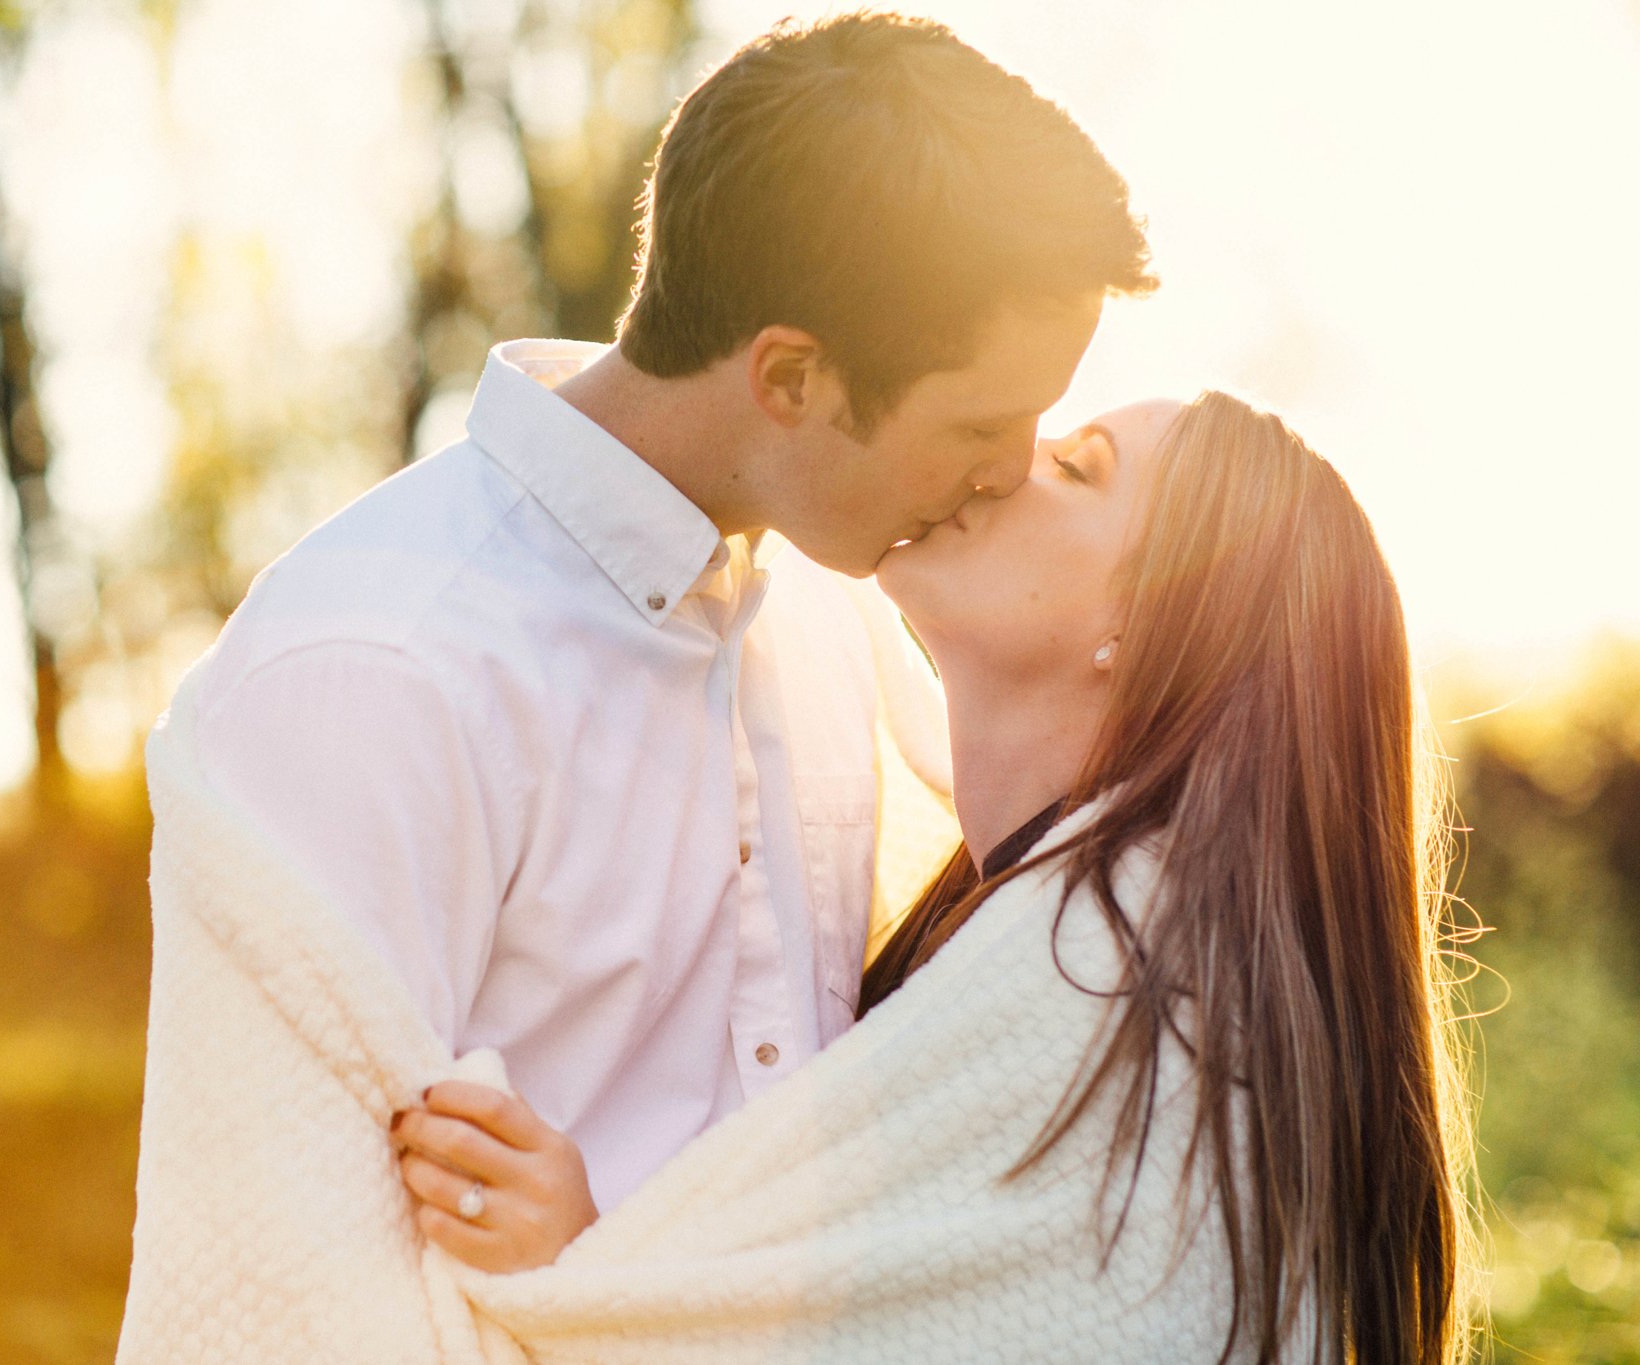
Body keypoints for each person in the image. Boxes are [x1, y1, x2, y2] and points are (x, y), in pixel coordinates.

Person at [165, 6, 1153, 1251]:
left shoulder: (837, 621)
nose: (1012, 471)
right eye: (975, 427)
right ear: (790, 379)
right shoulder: (380, 662)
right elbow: (302, 1264)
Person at [403, 392, 1482, 1363]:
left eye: (1076, 467)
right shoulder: (1062, 944)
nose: (1003, 463)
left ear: (1149, 621)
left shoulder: (1112, 975)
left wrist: (585, 1288)